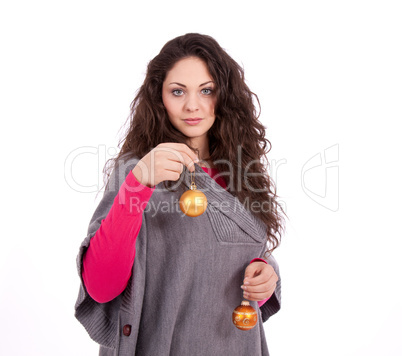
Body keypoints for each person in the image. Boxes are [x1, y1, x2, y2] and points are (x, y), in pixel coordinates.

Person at [75, 33, 285, 356]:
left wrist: (266, 272)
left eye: (206, 90)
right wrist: (139, 182)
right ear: (160, 97)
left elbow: (230, 241)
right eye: (177, 91)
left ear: (224, 95)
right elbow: (101, 286)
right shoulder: (138, 171)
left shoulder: (241, 169)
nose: (192, 105)